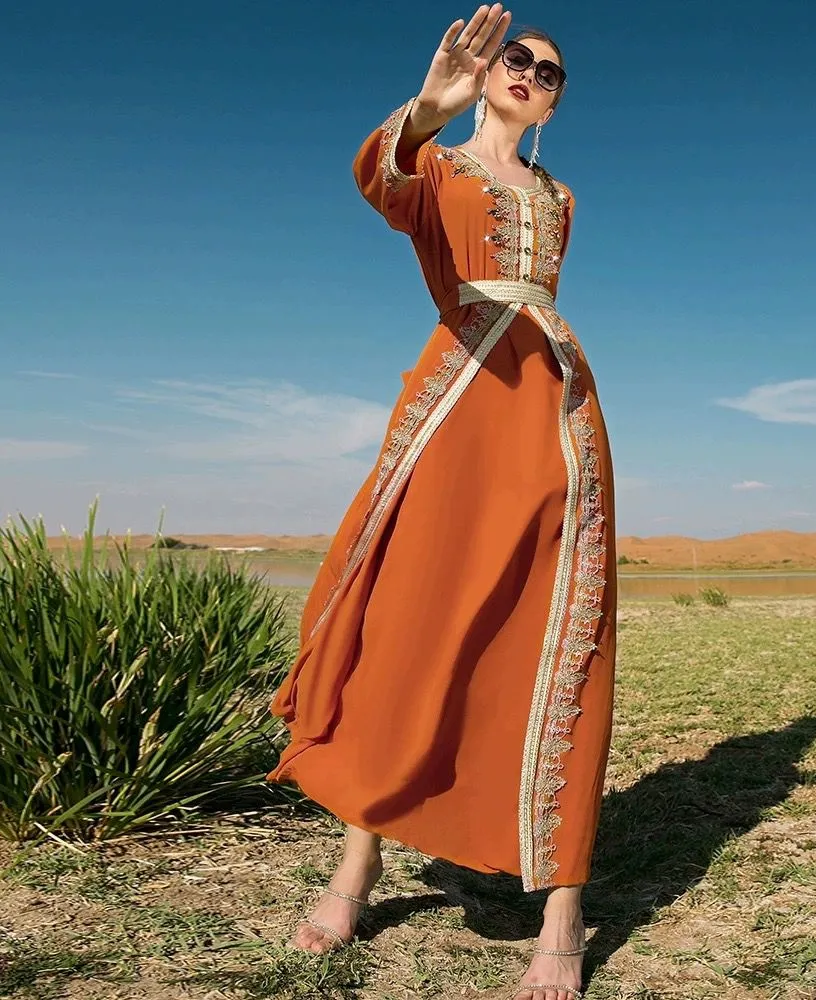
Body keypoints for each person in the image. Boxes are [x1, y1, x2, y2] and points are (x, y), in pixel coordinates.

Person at [268, 6, 617, 998]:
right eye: (516, 58)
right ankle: (358, 863)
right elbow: (379, 182)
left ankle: (562, 910)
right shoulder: (439, 172)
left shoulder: (562, 197)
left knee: (561, 633)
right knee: (407, 625)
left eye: (549, 71)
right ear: (488, 71)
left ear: (555, 104)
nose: (529, 71)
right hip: (458, 403)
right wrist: (429, 106)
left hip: (555, 414)